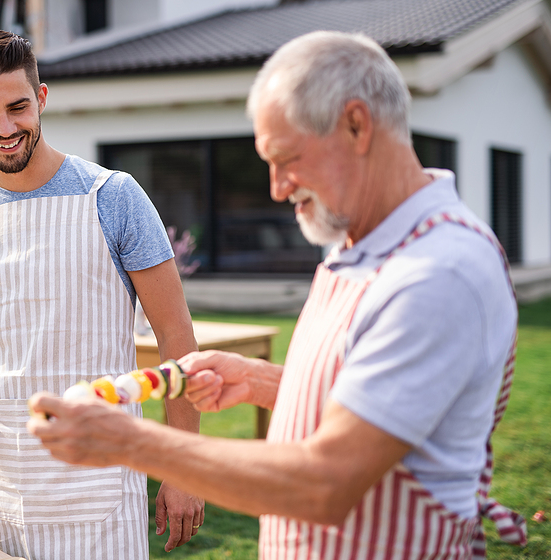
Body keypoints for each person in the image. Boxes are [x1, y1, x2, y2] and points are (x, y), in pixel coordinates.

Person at [27, 31, 527, 559]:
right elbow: (385, 399)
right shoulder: (360, 242)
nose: (276, 188)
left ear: (357, 125)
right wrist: (266, 382)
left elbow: (326, 483)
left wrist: (132, 443)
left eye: (286, 158)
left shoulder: (436, 272)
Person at [0, 30, 204, 559]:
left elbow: (177, 339)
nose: (6, 127)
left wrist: (183, 467)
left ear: (41, 98)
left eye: (17, 107)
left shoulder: (114, 198)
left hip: (99, 483)